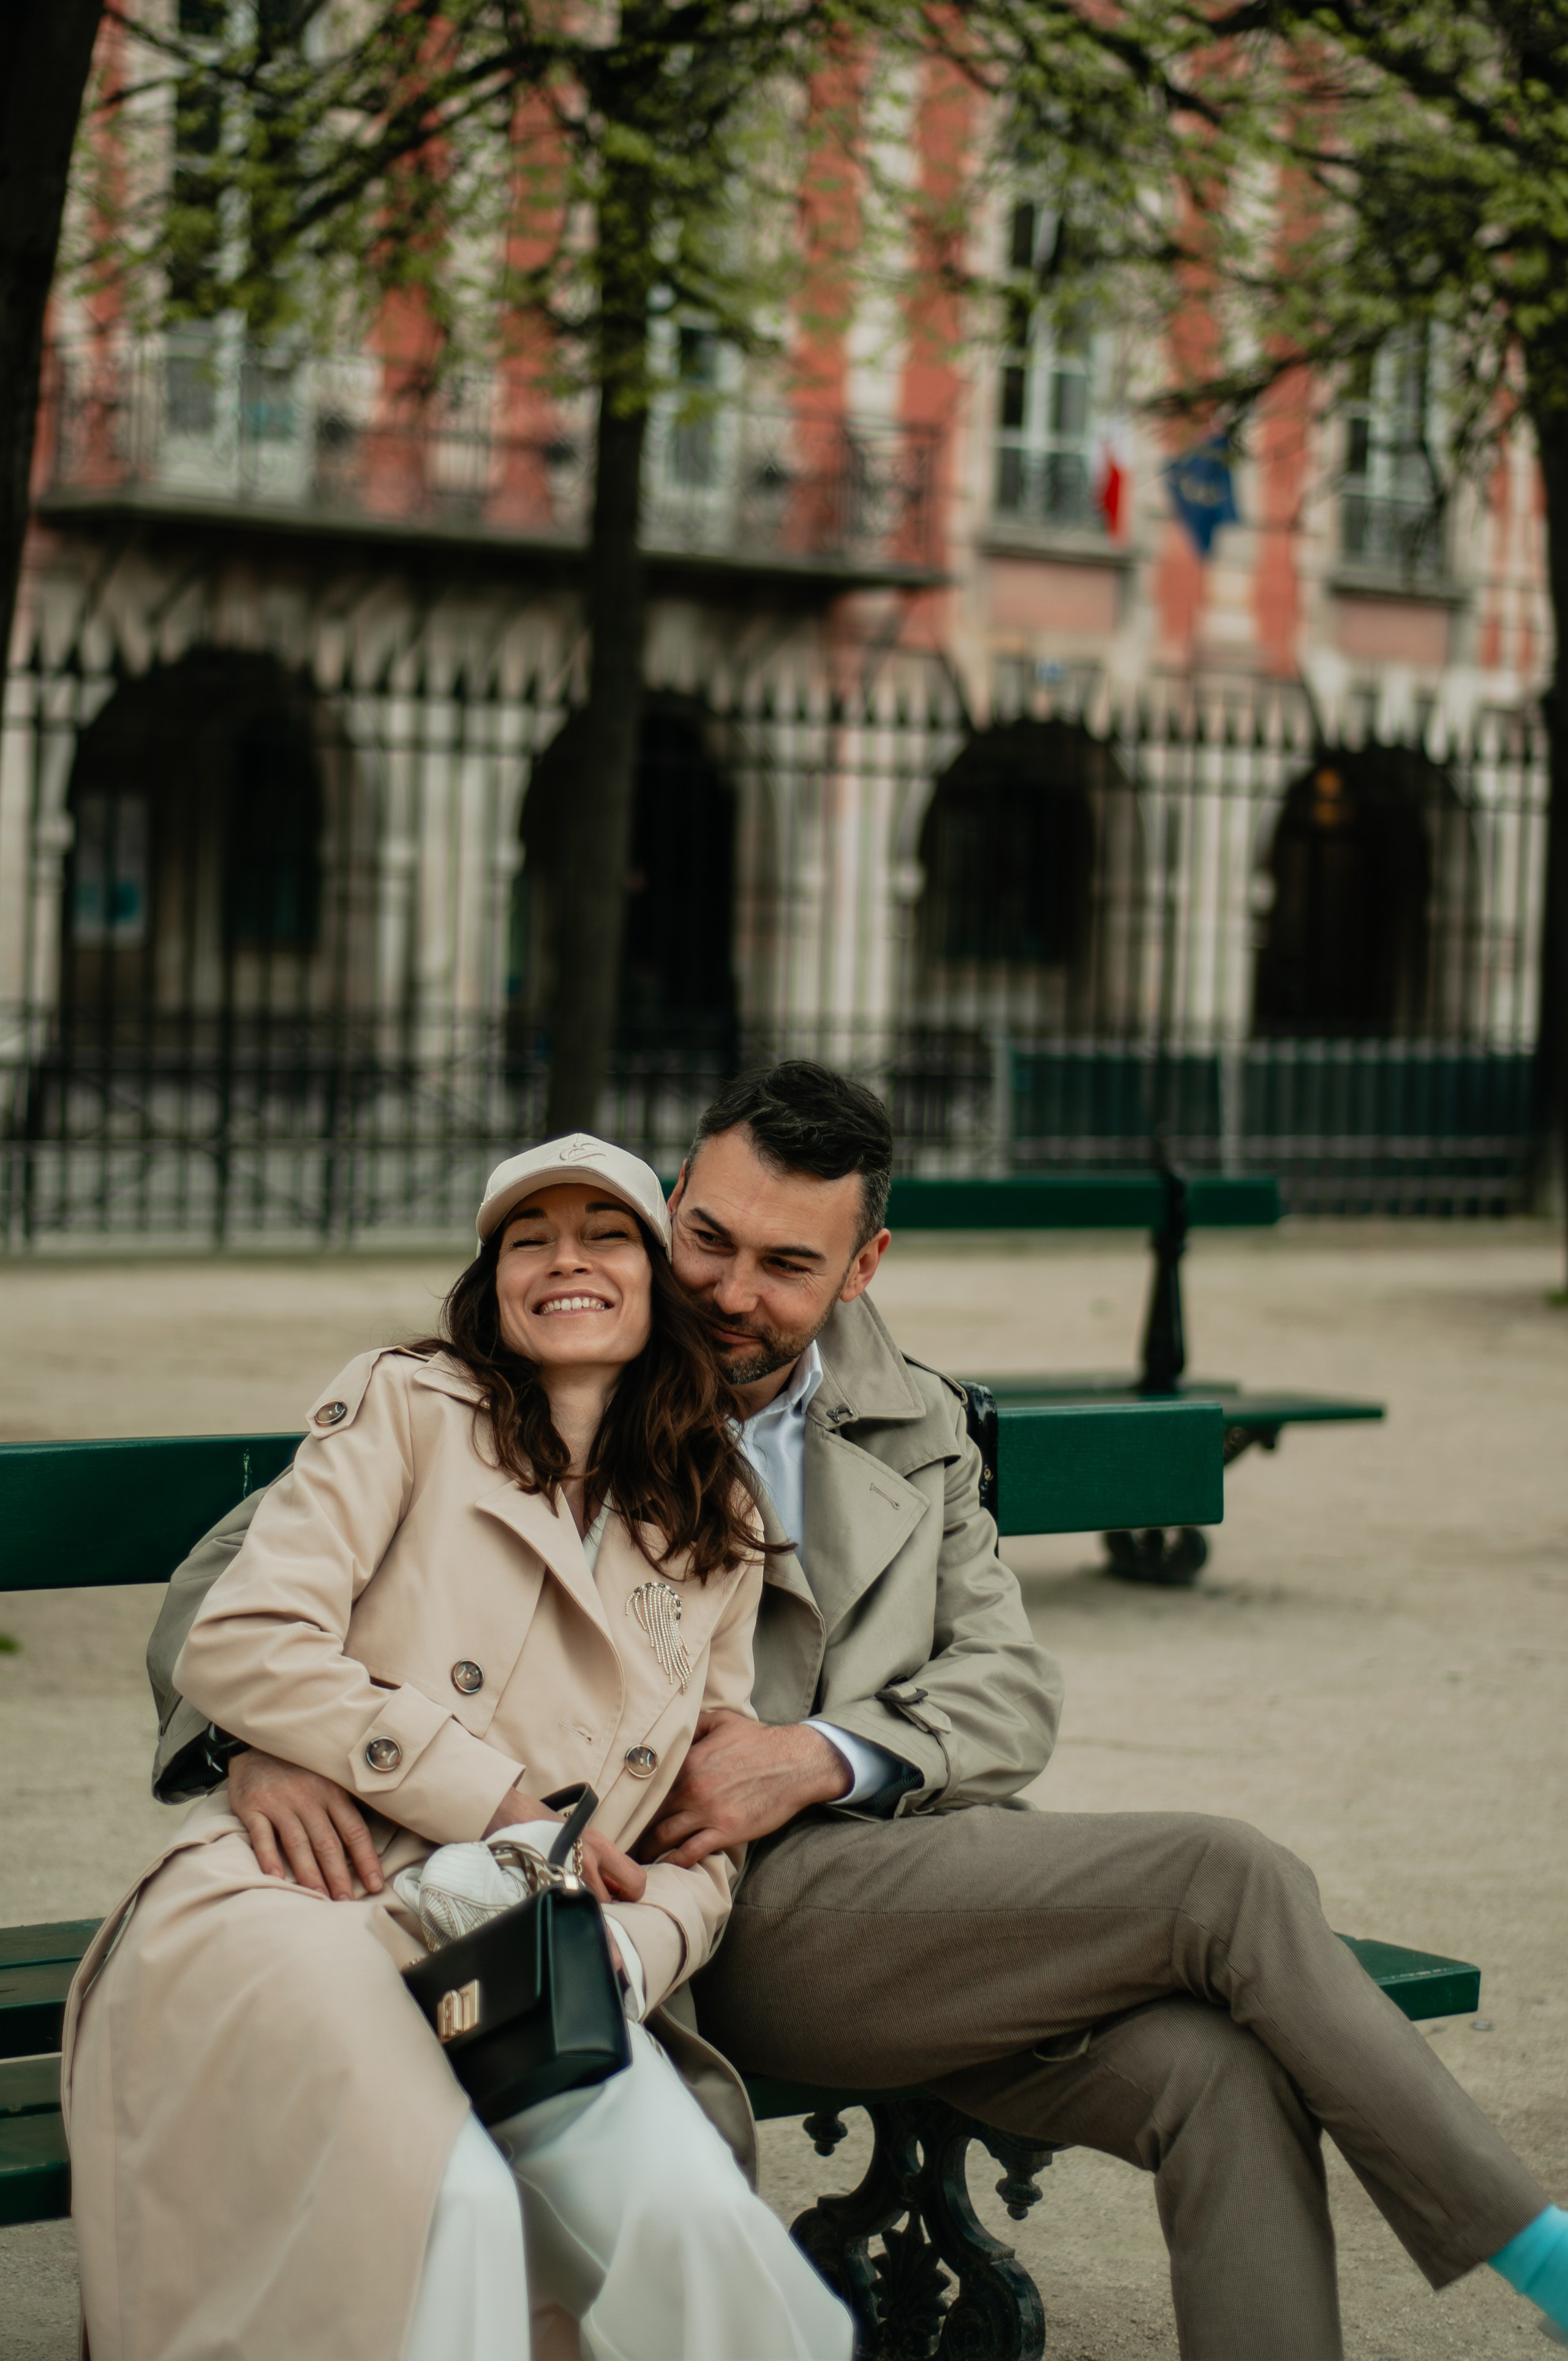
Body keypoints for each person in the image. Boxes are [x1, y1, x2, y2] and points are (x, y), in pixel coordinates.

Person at [146, 1065, 1568, 2360]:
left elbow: (1009, 1689)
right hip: (694, 1904)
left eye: (785, 1264)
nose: (727, 1291)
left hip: (902, 1884)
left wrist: (814, 1754)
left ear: (861, 1264)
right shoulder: (547, 1368)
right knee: (1225, 1873)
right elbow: (232, 1578)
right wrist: (255, 1740)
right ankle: (1537, 2248)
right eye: (705, 1237)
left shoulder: (919, 1420)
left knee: (1218, 2069)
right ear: (668, 1202)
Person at [66, 1134, 853, 2361]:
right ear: (492, 1285)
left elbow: (705, 1815)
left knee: (691, 2211)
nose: (564, 1258)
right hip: (302, 1891)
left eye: (604, 1235)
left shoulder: (717, 1515)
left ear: (654, 1282)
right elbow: (241, 1640)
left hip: (531, 1944)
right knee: (453, 2196)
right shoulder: (403, 1405)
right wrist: (490, 1796)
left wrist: (628, 1950)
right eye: (527, 1238)